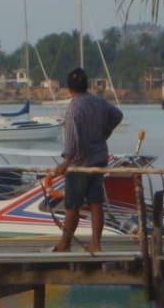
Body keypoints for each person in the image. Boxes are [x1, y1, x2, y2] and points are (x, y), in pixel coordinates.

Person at [49, 67, 123, 253]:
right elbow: (117, 115)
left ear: (69, 88)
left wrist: (66, 162)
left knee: (72, 205)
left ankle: (65, 244)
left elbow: (72, 137)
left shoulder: (74, 107)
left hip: (79, 164)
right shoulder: (98, 102)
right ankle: (96, 243)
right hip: (98, 160)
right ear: (86, 85)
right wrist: (104, 133)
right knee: (95, 203)